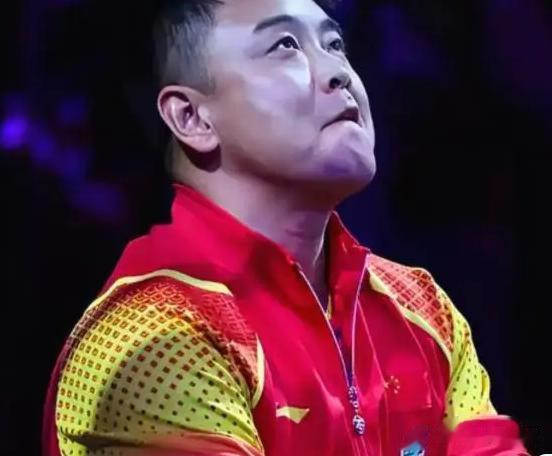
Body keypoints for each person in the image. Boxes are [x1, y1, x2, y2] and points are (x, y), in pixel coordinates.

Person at [42, 0, 530, 454]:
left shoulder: (421, 307)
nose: (340, 73)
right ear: (192, 117)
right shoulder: (150, 342)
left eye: (335, 44)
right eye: (286, 46)